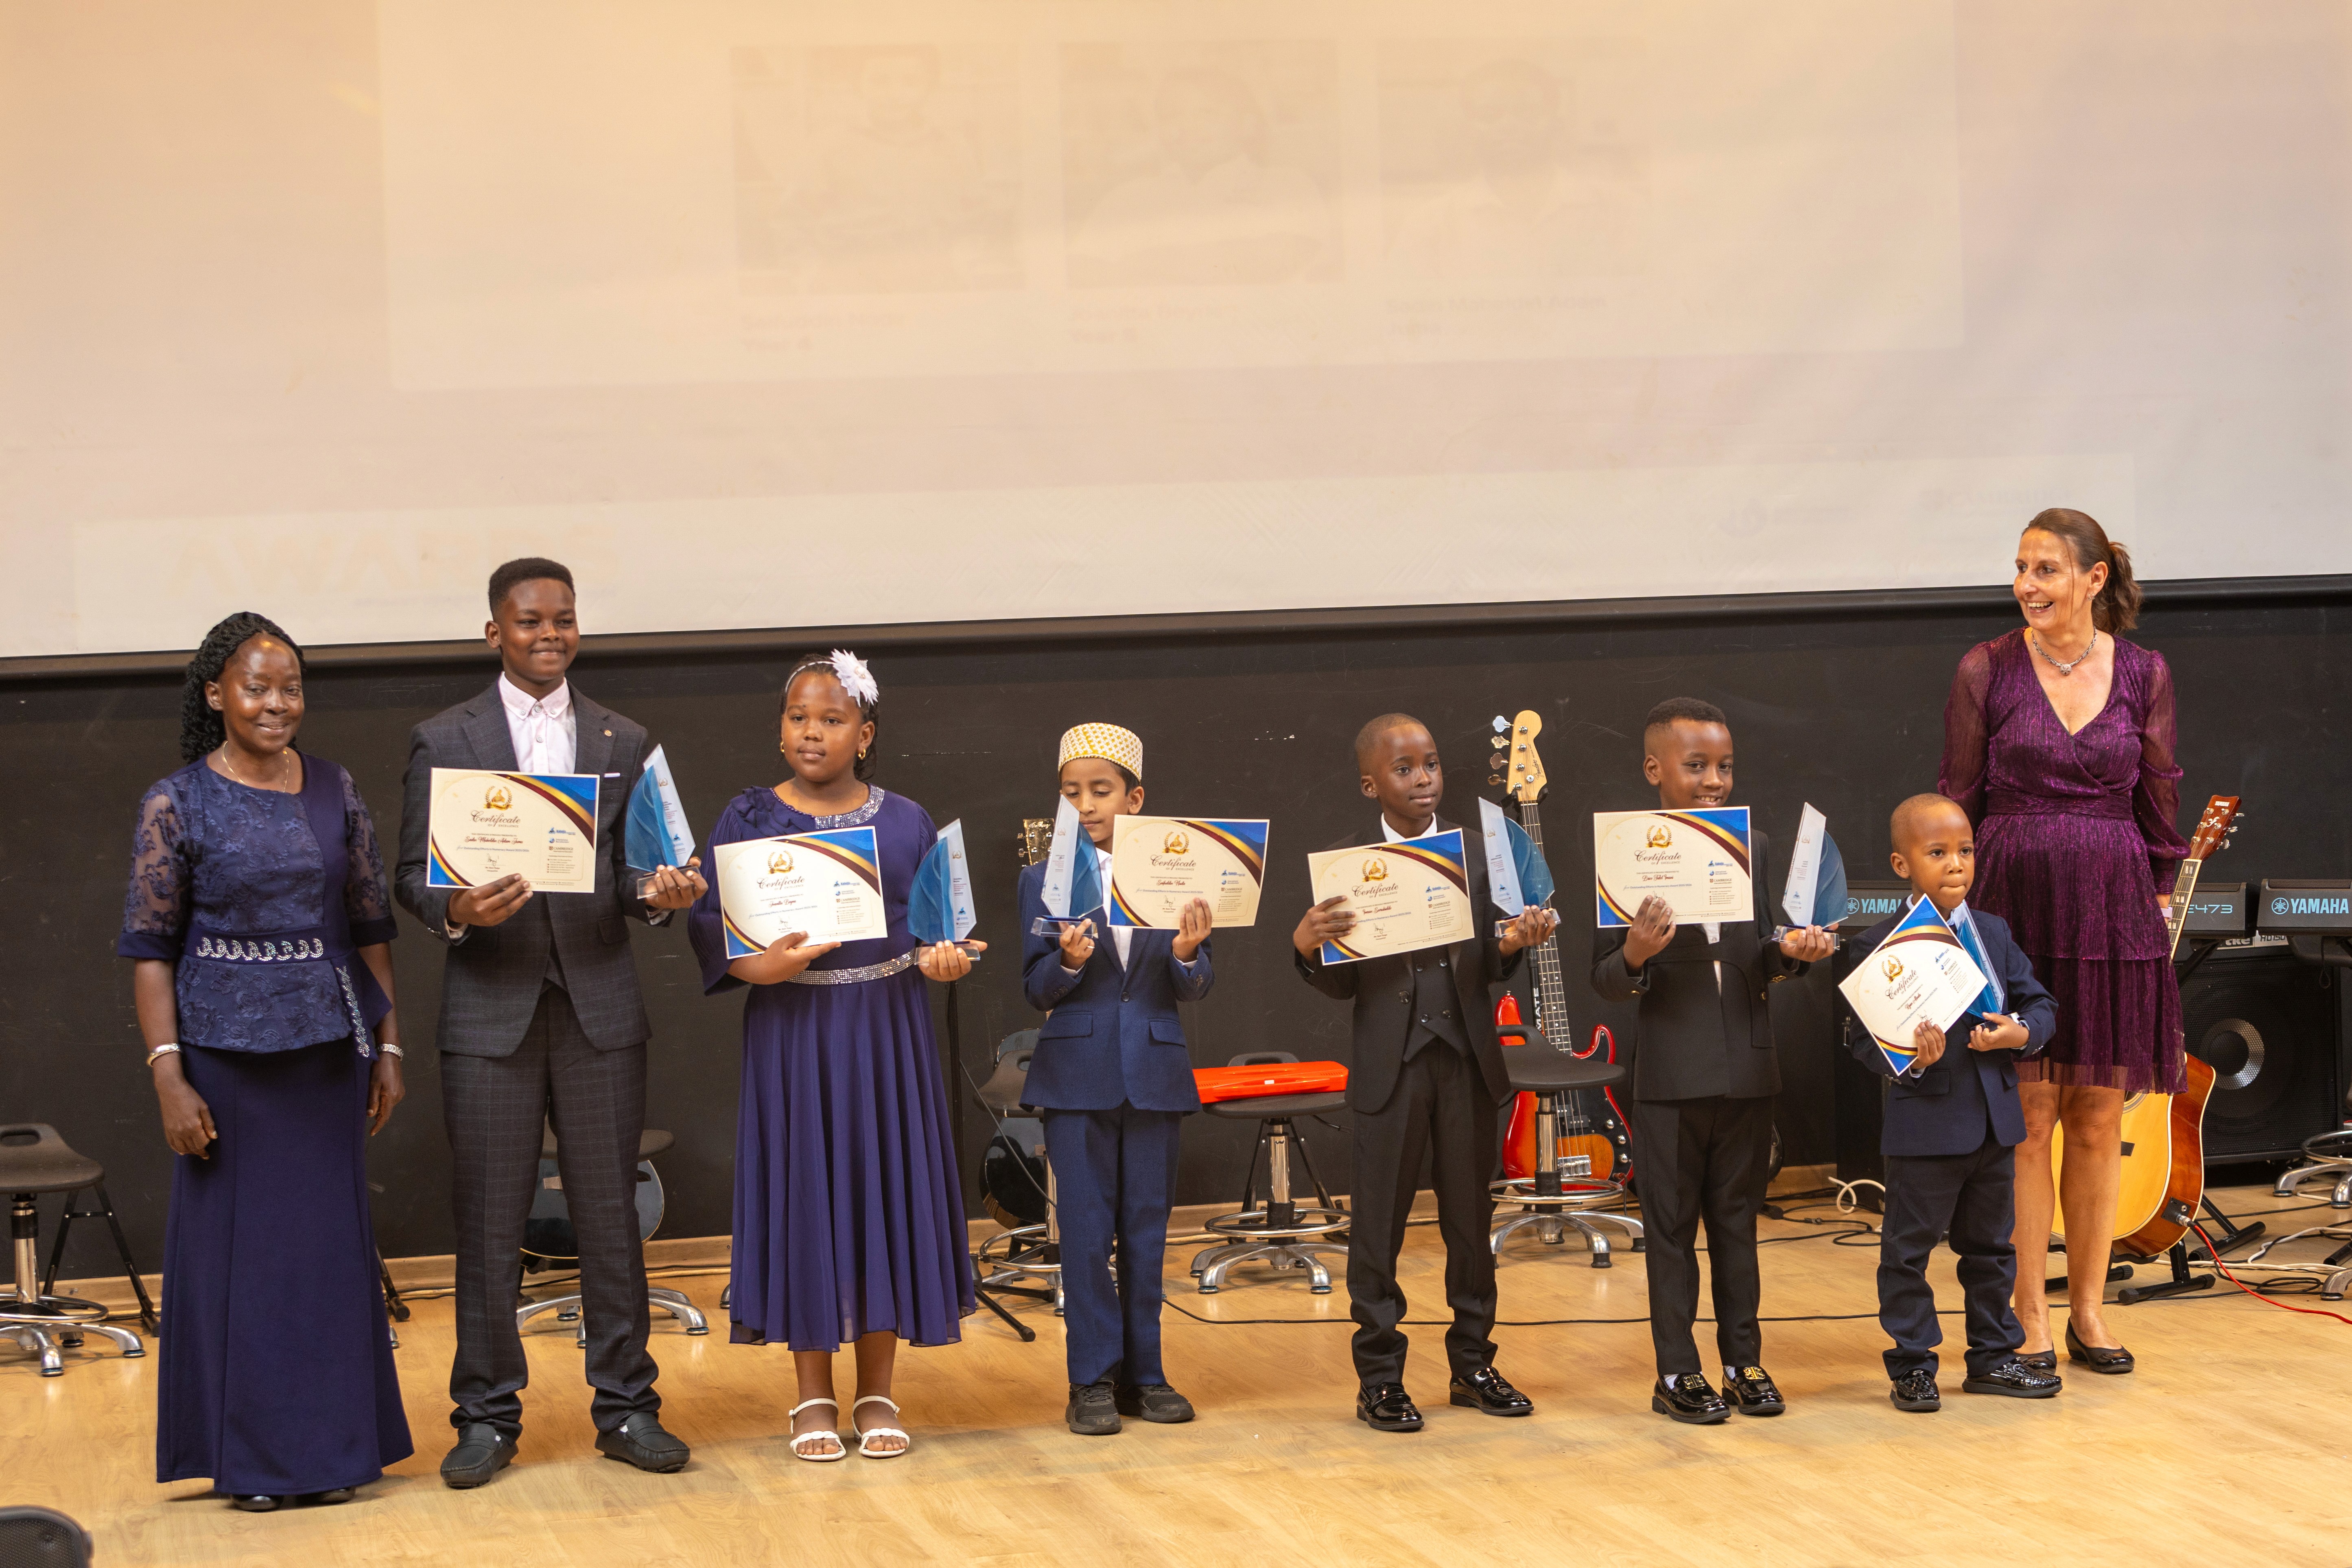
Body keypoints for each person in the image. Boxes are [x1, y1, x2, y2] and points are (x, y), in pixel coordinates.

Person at [394, 558, 706, 1488]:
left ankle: (628, 1407)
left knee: (611, 1217)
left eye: (563, 618)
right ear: (495, 632)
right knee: (490, 1224)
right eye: (530, 620)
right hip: (489, 1009)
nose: (549, 634)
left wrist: (657, 894)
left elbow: (636, 872)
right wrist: (456, 909)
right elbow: (411, 876)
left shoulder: (624, 737)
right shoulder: (443, 736)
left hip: (598, 1005)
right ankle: (486, 1417)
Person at [119, 612, 412, 1511]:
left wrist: (388, 1042)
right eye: (257, 687)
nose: (277, 703)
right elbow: (149, 950)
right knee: (242, 1266)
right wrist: (168, 1074)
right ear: (217, 694)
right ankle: (251, 1464)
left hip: (327, 1058)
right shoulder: (176, 801)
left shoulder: (334, 787)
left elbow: (369, 926)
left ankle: (333, 1451)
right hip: (224, 1065)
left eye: (291, 687)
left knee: (323, 1261)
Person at [686, 650, 980, 1463]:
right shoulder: (748, 816)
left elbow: (940, 931)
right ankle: (812, 1392)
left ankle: (877, 1389)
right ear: (780, 728)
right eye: (798, 717)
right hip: (793, 1030)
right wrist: (759, 968)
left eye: (832, 718)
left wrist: (945, 960)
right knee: (806, 1195)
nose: (812, 732)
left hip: (886, 1029)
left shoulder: (908, 821)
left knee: (882, 1190)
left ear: (865, 733)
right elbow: (714, 930)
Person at [1941, 508, 2187, 1376]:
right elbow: (1957, 798)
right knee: (2028, 1114)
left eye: (2045, 569)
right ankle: (2029, 1311)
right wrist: (1950, 915)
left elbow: (2159, 795)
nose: (2026, 585)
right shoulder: (1986, 667)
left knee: (2095, 1114)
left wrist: (2161, 891)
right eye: (2020, 568)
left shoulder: (2145, 672)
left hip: (2114, 904)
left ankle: (2089, 1309)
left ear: (2092, 578)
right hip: (2011, 904)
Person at [1293, 713, 1554, 1434]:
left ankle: (1473, 1363)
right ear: (1371, 783)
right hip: (1392, 1067)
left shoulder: (1479, 854)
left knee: (1471, 1223)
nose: (1423, 779)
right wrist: (1308, 945)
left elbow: (1494, 960)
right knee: (1378, 1228)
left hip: (1467, 1061)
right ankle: (1380, 1377)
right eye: (1404, 769)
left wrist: (1514, 942)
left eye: (1432, 764)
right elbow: (1342, 983)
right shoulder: (1346, 868)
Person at [1591, 697, 1834, 1424]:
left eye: (1724, 766)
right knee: (1670, 1230)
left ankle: (1742, 1362)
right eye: (1696, 766)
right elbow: (1604, 977)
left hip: (1748, 1069)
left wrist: (1791, 952)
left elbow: (1760, 954)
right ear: (1654, 769)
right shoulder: (1624, 852)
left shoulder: (1750, 845)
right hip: (1670, 1077)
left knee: (1737, 1224)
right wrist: (1637, 951)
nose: (1714, 781)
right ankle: (1677, 1371)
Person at [1016, 723, 1214, 1436]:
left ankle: (1145, 1376)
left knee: (1146, 1231)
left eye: (1100, 791)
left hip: (1155, 1072)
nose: (1086, 805)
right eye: (1071, 793)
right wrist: (1068, 963)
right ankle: (1091, 1379)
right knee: (1085, 1231)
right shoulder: (1041, 881)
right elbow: (1035, 987)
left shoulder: (1178, 873)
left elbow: (1198, 983)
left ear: (1136, 798)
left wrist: (1187, 952)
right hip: (1075, 1075)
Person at [1842, 794, 2064, 1413]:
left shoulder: (1992, 932)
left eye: (1965, 850)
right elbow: (1863, 1042)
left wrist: (2021, 1031)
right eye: (1937, 853)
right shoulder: (1876, 946)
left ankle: (1994, 1357)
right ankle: (1913, 1365)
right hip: (1926, 1126)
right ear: (1901, 864)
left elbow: (2041, 1004)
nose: (1956, 864)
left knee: (1993, 1250)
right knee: (1907, 1253)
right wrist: (1913, 1058)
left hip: (1996, 1123)